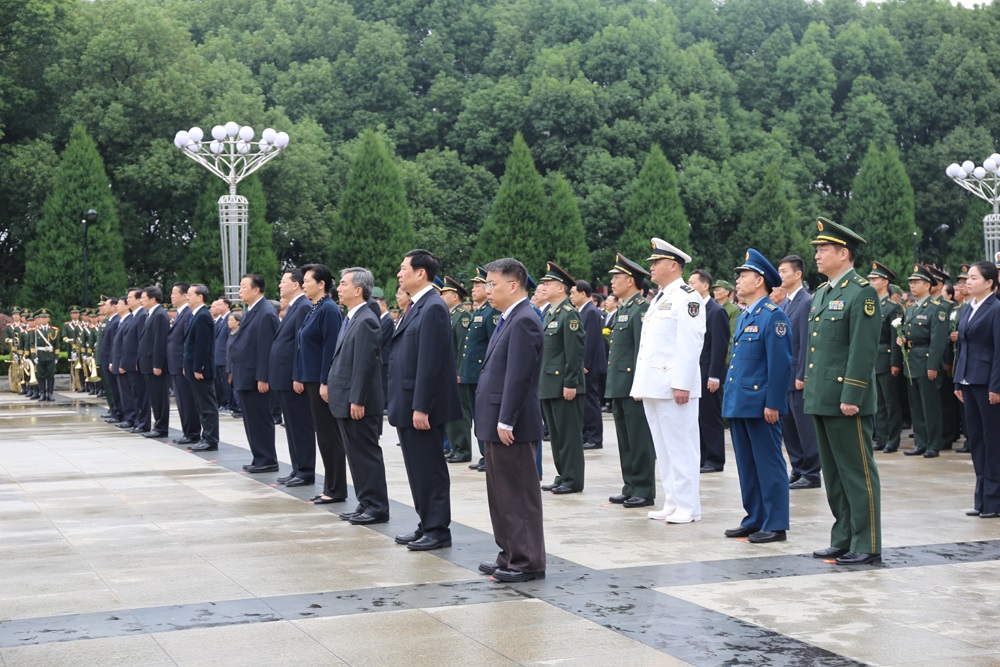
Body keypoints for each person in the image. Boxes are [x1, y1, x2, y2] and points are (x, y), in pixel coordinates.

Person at [804, 217, 882, 566]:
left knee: (857, 472)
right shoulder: (823, 292)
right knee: (834, 474)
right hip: (822, 396)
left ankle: (867, 542)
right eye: (817, 250)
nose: (818, 256)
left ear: (844, 253)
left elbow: (861, 350)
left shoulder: (861, 292)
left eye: (824, 249)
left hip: (846, 398)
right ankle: (843, 537)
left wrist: (852, 394)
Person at [476, 258, 546, 583]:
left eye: (493, 284)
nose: (487, 290)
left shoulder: (525, 319)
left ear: (513, 285)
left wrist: (507, 419)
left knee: (518, 495)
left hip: (511, 425)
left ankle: (527, 561)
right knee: (501, 494)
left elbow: (520, 376)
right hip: (496, 421)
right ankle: (509, 554)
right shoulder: (509, 318)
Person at [388, 249, 462, 551]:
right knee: (417, 468)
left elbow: (431, 363)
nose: (399, 273)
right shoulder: (417, 305)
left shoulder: (432, 306)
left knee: (429, 469)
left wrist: (422, 406)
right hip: (407, 401)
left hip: (421, 405)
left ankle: (437, 529)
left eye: (404, 268)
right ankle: (425, 523)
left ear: (421, 273)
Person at [632, 238, 705, 523]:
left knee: (681, 447)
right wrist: (641, 384)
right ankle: (673, 501)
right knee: (663, 449)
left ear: (673, 265)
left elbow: (690, 341)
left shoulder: (687, 296)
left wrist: (683, 383)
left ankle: (689, 507)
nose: (651, 267)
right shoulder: (661, 297)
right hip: (654, 384)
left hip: (674, 386)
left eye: (656, 262)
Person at [722, 249, 793, 544]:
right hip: (740, 402)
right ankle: (754, 518)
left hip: (761, 404)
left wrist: (773, 403)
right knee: (747, 465)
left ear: (759, 280)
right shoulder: (744, 316)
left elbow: (780, 364)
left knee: (769, 463)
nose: (738, 280)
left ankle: (775, 523)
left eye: (744, 275)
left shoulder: (772, 317)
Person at [328, 267, 389, 524]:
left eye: (343, 284)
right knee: (355, 456)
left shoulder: (365, 319)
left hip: (358, 403)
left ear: (358, 290)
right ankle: (365, 502)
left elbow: (365, 364)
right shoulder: (352, 317)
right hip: (345, 399)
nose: (338, 288)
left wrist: (358, 399)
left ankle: (376, 506)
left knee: (366, 454)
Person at [605, 253, 656, 508]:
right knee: (625, 440)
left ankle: (644, 489)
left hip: (633, 386)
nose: (613, 282)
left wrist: (640, 384)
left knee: (639, 439)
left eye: (618, 277)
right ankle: (630, 485)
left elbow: (640, 351)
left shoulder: (641, 309)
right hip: (618, 384)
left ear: (632, 280)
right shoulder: (623, 308)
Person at [954, 261, 1000, 518]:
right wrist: (958, 381)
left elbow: (998, 351)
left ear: (990, 282)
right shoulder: (967, 308)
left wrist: (996, 385)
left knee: (993, 442)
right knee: (977, 441)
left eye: (973, 278)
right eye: (967, 278)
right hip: (969, 382)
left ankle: (994, 502)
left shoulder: (996, 309)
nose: (967, 282)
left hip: (987, 384)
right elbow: (962, 347)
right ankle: (981, 499)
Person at [298, 263, 348, 505]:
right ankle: (330, 485)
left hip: (321, 381)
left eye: (308, 280)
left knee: (330, 435)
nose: (304, 284)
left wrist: (325, 382)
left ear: (321, 284)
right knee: (323, 435)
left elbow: (330, 349)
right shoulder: (315, 308)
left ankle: (337, 488)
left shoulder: (328, 309)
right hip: (310, 379)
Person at [538, 261, 587, 495]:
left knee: (568, 435)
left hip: (563, 384)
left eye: (549, 283)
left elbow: (575, 353)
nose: (543, 287)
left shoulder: (569, 314)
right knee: (556, 435)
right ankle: (562, 474)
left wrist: (571, 383)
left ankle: (573, 479)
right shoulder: (550, 313)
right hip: (548, 383)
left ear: (561, 288)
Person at [776, 256, 821, 489]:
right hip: (784, 375)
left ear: (798, 274)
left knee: (804, 426)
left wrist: (802, 374)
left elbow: (806, 342)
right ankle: (798, 467)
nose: (780, 275)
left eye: (784, 271)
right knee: (788, 426)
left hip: (797, 375)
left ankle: (812, 473)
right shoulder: (785, 303)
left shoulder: (806, 302)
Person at [270, 269, 316, 487]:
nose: (280, 285)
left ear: (295, 285)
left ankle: (305, 470)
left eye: (283, 281)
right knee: (291, 426)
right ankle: (297, 467)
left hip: (292, 378)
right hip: (284, 376)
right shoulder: (293, 307)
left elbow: (301, 345)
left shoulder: (303, 306)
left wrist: (298, 375)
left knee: (300, 425)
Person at [230, 274, 280, 473]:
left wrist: (263, 377)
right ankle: (259, 457)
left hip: (255, 378)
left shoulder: (266, 312)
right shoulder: (252, 310)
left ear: (256, 289)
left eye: (244, 286)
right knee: (251, 420)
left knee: (260, 419)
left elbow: (266, 348)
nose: (240, 290)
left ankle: (267, 459)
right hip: (246, 375)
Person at [898, 264, 948, 458]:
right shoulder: (910, 309)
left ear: (928, 285)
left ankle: (933, 444)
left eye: (917, 282)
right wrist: (902, 339)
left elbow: (938, 340)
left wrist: (933, 365)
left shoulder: (937, 309)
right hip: (911, 362)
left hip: (926, 360)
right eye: (911, 282)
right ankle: (920, 441)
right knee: (916, 406)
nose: (912, 286)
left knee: (930, 406)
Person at [689, 269, 729, 474]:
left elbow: (719, 346)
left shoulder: (716, 310)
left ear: (705, 286)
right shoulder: (693, 309)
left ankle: (715, 459)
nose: (689, 286)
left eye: (693, 282)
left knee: (710, 417)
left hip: (708, 373)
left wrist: (714, 375)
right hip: (694, 373)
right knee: (697, 417)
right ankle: (703, 457)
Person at [460, 266, 500, 472]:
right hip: (471, 373)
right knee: (476, 416)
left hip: (481, 374)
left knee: (484, 417)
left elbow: (494, 345)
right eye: (474, 285)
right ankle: (484, 455)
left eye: (479, 285)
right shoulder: (480, 311)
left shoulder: (492, 312)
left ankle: (489, 455)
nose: (474, 289)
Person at [870, 262, 904, 453]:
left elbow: (895, 338)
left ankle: (893, 438)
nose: (871, 282)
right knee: (878, 402)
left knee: (891, 401)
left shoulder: (893, 308)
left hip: (887, 358)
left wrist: (895, 363)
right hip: (873, 360)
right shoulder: (871, 305)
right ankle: (881, 437)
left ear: (885, 282)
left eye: (875, 279)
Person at [571, 279, 607, 451]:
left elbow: (590, 340)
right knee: (584, 401)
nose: (571, 296)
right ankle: (586, 434)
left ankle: (595, 437)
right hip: (586, 364)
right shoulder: (582, 311)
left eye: (573, 293)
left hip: (590, 365)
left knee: (591, 400)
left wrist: (584, 363)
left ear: (583, 294)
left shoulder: (591, 311)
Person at [441, 276, 474, 464]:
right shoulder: (451, 315)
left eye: (445, 293)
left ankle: (463, 448)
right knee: (451, 411)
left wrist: (460, 371)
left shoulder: (462, 316)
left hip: (457, 372)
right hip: (449, 372)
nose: (442, 296)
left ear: (455, 296)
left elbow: (463, 347)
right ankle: (454, 446)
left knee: (460, 411)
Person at [183, 284, 219, 451]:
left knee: (207, 406)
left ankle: (211, 439)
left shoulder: (203, 316)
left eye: (190, 294)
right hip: (194, 368)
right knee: (201, 405)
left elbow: (202, 345)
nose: (187, 297)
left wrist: (199, 367)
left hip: (201, 370)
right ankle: (206, 437)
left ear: (200, 297)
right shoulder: (196, 315)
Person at [167, 283, 201, 446]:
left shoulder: (187, 313)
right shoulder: (181, 313)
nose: (171, 296)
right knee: (181, 401)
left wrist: (184, 364)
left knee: (187, 401)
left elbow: (187, 341)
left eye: (175, 293)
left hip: (182, 365)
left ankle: (192, 432)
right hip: (175, 364)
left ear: (184, 296)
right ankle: (188, 431)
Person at [139, 286, 170, 438]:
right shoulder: (151, 314)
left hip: (155, 365)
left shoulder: (159, 315)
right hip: (148, 364)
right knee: (154, 397)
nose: (141, 300)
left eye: (143, 298)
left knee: (159, 397)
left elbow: (160, 341)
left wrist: (157, 364)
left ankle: (161, 427)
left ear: (153, 299)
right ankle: (158, 425)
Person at [119, 289, 151, 433]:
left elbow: (141, 342)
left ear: (139, 300)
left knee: (141, 395)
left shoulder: (142, 316)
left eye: (131, 297)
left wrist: (137, 362)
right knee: (136, 394)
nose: (128, 300)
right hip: (131, 363)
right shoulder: (134, 316)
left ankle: (143, 422)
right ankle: (138, 421)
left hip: (137, 363)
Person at [212, 298, 232, 413]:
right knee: (220, 384)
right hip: (218, 357)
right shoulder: (220, 320)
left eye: (220, 305)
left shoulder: (229, 319)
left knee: (226, 383)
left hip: (224, 357)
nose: (217, 307)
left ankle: (228, 404)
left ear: (226, 306)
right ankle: (223, 403)